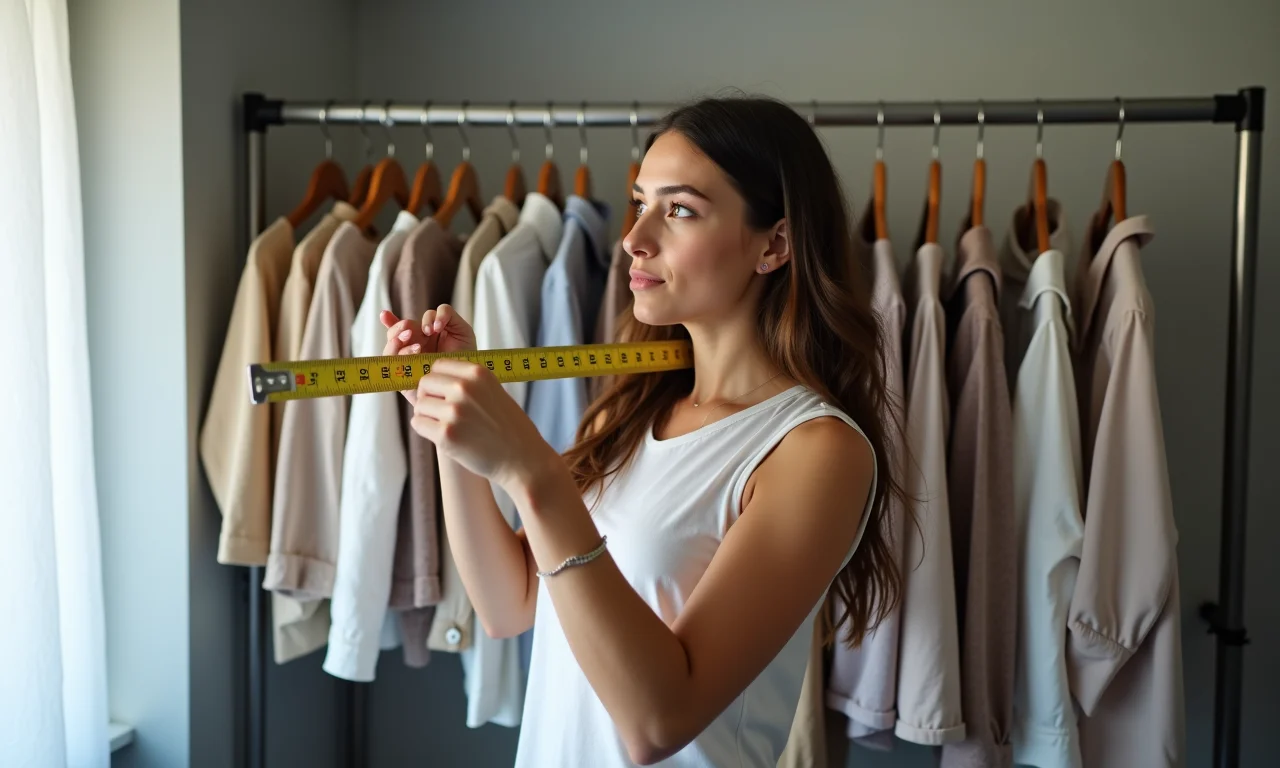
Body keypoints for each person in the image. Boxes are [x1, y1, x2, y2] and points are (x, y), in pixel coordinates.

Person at [379, 95, 905, 767]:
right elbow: (508, 604)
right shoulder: (629, 412)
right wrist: (450, 424)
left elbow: (658, 723)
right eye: (640, 202)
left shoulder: (814, 451)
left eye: (679, 209)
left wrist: (531, 472)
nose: (635, 237)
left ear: (774, 243)